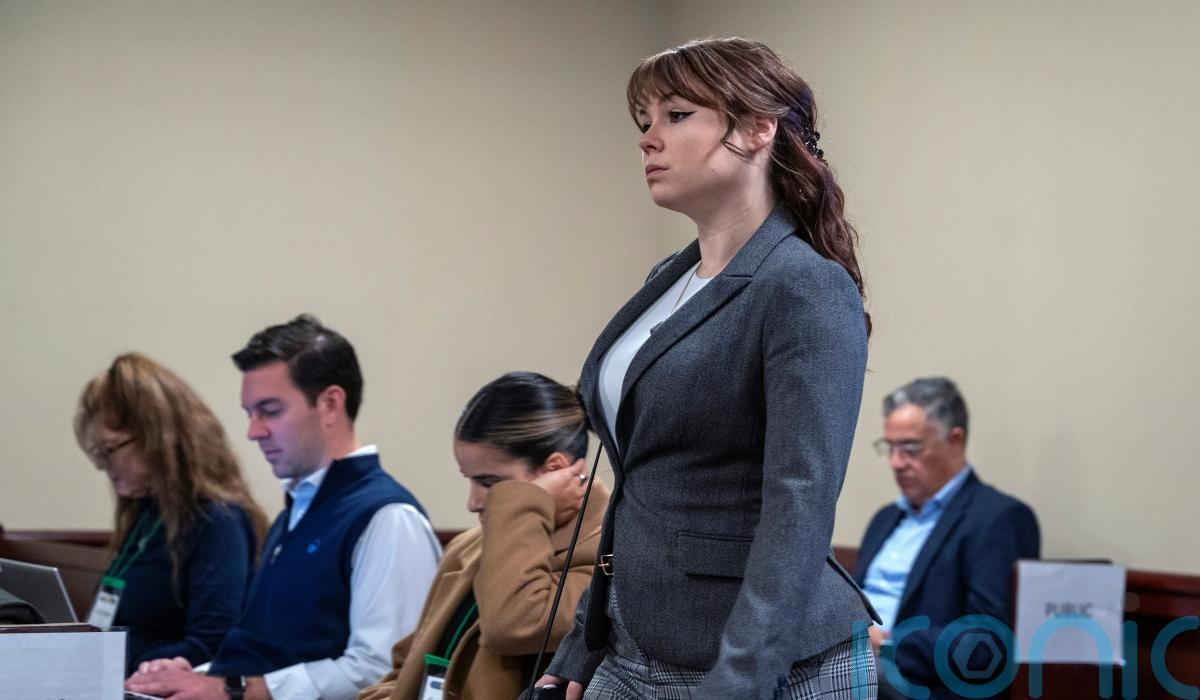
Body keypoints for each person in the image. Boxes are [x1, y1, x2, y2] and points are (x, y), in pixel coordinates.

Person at [538, 37, 877, 699]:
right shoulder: (666, 280)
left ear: (756, 129)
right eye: (645, 121)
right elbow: (639, 485)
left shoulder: (803, 285)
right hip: (632, 648)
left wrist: (743, 677)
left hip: (763, 664)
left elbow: (800, 499)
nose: (648, 138)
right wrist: (584, 641)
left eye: (676, 115)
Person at [126, 315, 441, 700]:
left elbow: (382, 672)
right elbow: (266, 653)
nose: (254, 431)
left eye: (270, 411)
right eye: (250, 413)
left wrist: (233, 690)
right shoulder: (296, 512)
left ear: (330, 404)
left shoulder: (388, 518)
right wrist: (194, 675)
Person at [357, 371, 609, 700]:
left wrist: (523, 504)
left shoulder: (606, 560)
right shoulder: (468, 547)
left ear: (555, 470)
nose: (473, 502)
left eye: (490, 483)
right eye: (469, 479)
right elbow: (408, 668)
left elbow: (513, 623)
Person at [74, 352, 269, 675]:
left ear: (157, 439)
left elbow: (210, 645)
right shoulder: (148, 513)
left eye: (109, 450)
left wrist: (113, 666)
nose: (102, 466)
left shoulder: (217, 521)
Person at [853, 377, 1040, 699]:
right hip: (851, 663)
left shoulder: (998, 518)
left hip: (915, 681)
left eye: (910, 448)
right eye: (890, 447)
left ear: (955, 441)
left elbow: (987, 643)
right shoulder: (885, 519)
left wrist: (886, 644)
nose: (896, 462)